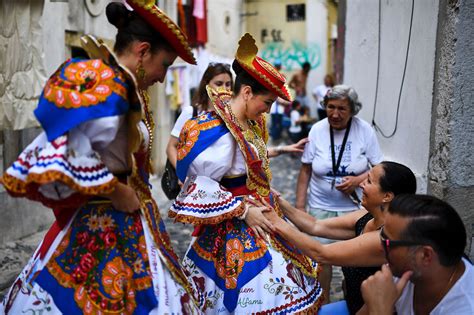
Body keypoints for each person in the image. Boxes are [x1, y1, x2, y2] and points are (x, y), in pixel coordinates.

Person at [0, 1, 202, 314]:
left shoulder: (123, 85)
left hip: (126, 219)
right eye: (163, 65)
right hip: (100, 222)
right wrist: (115, 189)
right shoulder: (108, 85)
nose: (163, 77)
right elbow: (66, 150)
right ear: (143, 51)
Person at [168, 33, 323, 314]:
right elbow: (198, 185)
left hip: (260, 215)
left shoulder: (247, 123)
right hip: (235, 226)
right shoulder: (220, 132)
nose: (268, 110)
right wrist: (241, 210)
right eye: (268, 102)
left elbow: (252, 161)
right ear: (248, 92)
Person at [264, 161, 416, 313]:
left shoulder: (383, 238)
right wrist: (277, 199)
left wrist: (275, 221)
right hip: (351, 305)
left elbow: (321, 253)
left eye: (369, 181)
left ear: (387, 196)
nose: (361, 184)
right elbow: (315, 225)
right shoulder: (366, 217)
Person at [295, 84, 383, 303]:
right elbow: (305, 169)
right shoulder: (317, 129)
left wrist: (358, 180)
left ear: (353, 109)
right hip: (320, 207)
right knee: (320, 261)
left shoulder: (364, 131)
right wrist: (299, 207)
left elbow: (379, 168)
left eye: (342, 109)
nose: (335, 114)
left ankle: (352, 300)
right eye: (330, 107)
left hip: (355, 210)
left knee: (354, 263)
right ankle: (321, 303)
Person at [358, 194, 474, 315]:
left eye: (388, 242)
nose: (381, 247)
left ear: (425, 255)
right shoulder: (403, 271)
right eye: (382, 237)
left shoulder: (466, 308)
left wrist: (380, 310)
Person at [166, 63, 233, 169]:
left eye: (228, 84)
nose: (224, 89)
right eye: (219, 84)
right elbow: (171, 147)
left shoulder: (233, 116)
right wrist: (181, 175)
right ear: (207, 85)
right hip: (194, 181)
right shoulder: (191, 113)